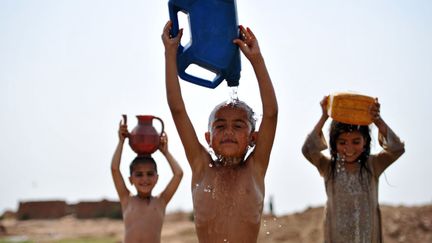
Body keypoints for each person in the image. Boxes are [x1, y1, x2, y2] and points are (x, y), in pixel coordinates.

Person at [162, 20, 278, 242]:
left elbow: (271, 114)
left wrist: (257, 60)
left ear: (253, 138)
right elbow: (177, 109)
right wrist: (170, 53)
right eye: (220, 125)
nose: (228, 132)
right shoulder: (201, 167)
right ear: (208, 138)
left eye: (238, 126)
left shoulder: (255, 169)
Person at [302, 96, 405, 243]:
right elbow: (307, 149)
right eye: (342, 142)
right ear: (334, 144)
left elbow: (397, 149)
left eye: (356, 142)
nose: (349, 148)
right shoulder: (329, 167)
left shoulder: (373, 165)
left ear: (365, 142)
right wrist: (324, 116)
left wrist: (377, 120)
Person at [111, 120, 183, 243]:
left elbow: (178, 174)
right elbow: (115, 169)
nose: (145, 179)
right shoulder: (126, 199)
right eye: (139, 175)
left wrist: (166, 152)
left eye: (150, 174)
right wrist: (121, 142)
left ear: (157, 178)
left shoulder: (161, 201)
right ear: (130, 179)